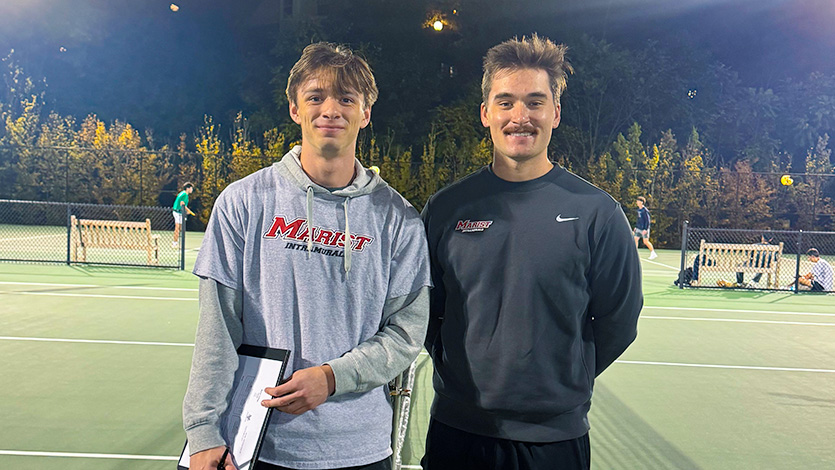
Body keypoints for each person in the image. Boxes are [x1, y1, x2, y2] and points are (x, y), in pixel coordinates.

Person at [182, 42, 431, 470]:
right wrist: (203, 429)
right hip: (258, 445)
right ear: (295, 109)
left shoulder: (399, 218)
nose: (330, 110)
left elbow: (407, 333)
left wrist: (332, 378)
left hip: (361, 449)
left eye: (346, 99)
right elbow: (217, 327)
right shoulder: (243, 203)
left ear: (366, 113)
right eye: (316, 97)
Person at [420, 34, 643, 470]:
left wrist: (561, 379)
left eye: (535, 102)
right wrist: (460, 373)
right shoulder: (446, 209)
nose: (520, 117)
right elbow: (427, 312)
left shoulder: (597, 213)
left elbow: (618, 321)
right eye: (505, 102)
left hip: (554, 442)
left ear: (555, 113)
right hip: (457, 432)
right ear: (485, 113)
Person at [172, 182, 196, 247]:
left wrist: (186, 211)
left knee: (179, 228)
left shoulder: (184, 194)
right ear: (188, 188)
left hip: (179, 212)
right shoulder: (184, 194)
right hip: (177, 212)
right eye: (191, 188)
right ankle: (174, 243)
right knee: (177, 227)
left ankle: (176, 241)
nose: (192, 190)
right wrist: (188, 211)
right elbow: (182, 204)